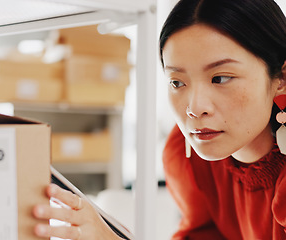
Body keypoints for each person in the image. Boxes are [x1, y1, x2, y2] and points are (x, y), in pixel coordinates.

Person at [32, 0, 286, 239]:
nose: (195, 109)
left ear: (281, 78)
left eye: (220, 78)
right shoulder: (190, 158)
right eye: (177, 82)